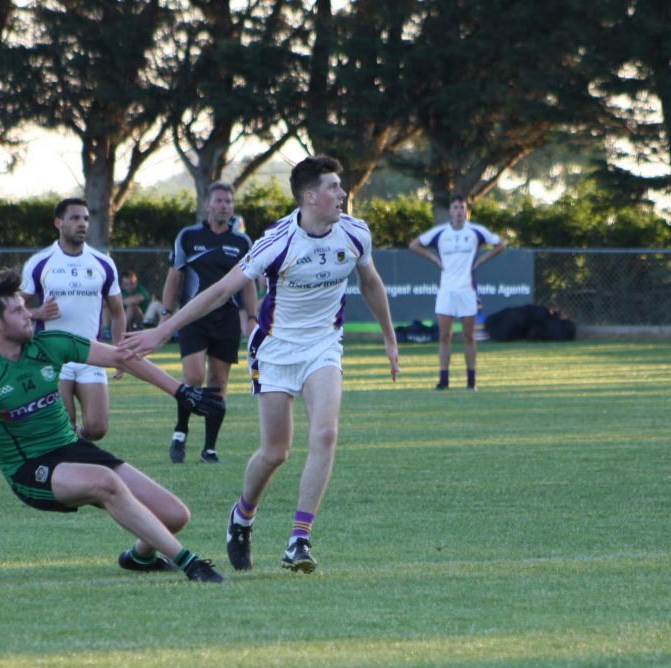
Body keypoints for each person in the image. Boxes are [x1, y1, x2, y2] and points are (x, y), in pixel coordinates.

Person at [123, 155, 400, 573]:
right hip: (274, 350)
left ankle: (298, 540)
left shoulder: (356, 233)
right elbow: (219, 291)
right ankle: (242, 517)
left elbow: (371, 282)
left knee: (325, 434)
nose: (342, 193)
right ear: (309, 196)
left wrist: (390, 338)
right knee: (276, 452)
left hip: (324, 345)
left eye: (340, 186)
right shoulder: (277, 241)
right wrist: (163, 331)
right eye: (333, 187)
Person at [0, 269, 227, 584]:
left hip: (73, 450)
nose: (29, 315)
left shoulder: (49, 344)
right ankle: (192, 564)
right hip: (30, 468)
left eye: (26, 307)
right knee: (105, 482)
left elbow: (121, 358)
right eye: (18, 310)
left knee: (175, 515)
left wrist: (181, 391)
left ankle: (139, 558)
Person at [161, 181, 257, 463]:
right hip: (193, 316)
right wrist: (166, 314)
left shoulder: (242, 242)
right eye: (219, 201)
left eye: (229, 202)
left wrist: (251, 318)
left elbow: (249, 284)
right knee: (192, 378)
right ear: (208, 205)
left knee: (218, 383)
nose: (225, 206)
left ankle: (209, 449)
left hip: (226, 318)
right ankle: (181, 431)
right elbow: (174, 277)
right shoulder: (189, 236)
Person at [20, 198, 124, 441]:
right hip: (53, 356)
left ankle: (77, 443)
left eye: (86, 219)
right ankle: (73, 468)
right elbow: (13, 305)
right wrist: (36, 313)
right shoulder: (40, 263)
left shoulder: (103, 264)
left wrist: (119, 353)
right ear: (59, 222)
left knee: (97, 429)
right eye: (75, 218)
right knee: (63, 424)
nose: (82, 224)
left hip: (92, 354)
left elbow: (118, 312)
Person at [409, 196, 506, 389]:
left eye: (462, 207)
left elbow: (501, 244)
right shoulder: (440, 232)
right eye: (455, 207)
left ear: (467, 211)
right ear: (450, 211)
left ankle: (471, 382)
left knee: (469, 336)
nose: (459, 211)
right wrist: (434, 259)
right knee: (445, 336)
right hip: (446, 290)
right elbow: (414, 244)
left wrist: (481, 260)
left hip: (467, 290)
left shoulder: (475, 232)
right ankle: (443, 381)